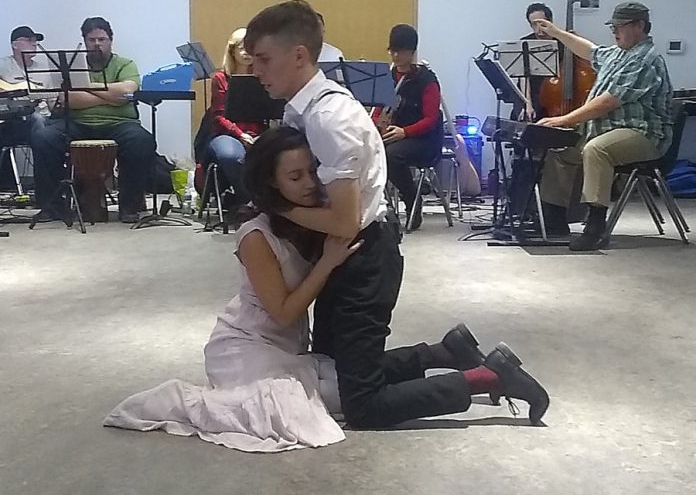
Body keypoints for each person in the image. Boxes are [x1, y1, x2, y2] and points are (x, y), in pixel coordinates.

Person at [104, 127, 546, 451]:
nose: (310, 183)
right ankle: (481, 376)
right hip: (246, 351)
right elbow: (283, 312)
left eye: (311, 172)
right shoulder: (255, 236)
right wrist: (330, 262)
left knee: (350, 383)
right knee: (346, 402)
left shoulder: (304, 217)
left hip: (286, 347)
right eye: (294, 177)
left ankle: (444, 353)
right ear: (272, 184)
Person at [245, 0, 549, 429]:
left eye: (263, 59)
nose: (256, 70)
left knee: (362, 406)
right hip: (349, 250)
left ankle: (486, 376)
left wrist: (275, 204)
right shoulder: (304, 107)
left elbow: (345, 223)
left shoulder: (328, 118)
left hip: (366, 253)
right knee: (333, 374)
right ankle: (447, 351)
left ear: (298, 56)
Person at [535, 2, 673, 250]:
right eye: (614, 26)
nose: (614, 31)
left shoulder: (645, 59)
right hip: (610, 130)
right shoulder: (619, 53)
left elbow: (607, 102)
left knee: (597, 149)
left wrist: (564, 119)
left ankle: (596, 226)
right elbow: (590, 51)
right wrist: (556, 32)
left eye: (620, 26)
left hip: (644, 135)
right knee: (560, 149)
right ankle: (554, 220)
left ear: (639, 25)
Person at [30, 17, 156, 223]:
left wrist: (86, 87)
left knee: (141, 141)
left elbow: (126, 91)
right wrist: (110, 93)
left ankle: (130, 206)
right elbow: (69, 99)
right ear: (84, 41)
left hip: (120, 124)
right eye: (91, 40)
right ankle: (52, 207)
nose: (97, 44)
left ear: (110, 40)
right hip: (78, 123)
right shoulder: (72, 65)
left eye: (102, 39)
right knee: (43, 138)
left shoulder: (126, 64)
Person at [376, 24, 444, 231]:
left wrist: (404, 132)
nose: (395, 55)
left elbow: (431, 119)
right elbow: (379, 108)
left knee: (390, 156)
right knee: (370, 151)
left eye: (400, 51)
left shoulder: (427, 80)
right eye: (392, 50)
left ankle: (412, 198)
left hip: (423, 140)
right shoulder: (387, 77)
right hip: (395, 136)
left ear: (412, 52)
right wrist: (376, 124)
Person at [205, 28, 265, 207]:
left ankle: (273, 206)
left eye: (251, 48)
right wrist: (240, 135)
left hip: (258, 132)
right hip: (227, 134)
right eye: (241, 48)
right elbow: (218, 117)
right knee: (232, 156)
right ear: (232, 52)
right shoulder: (220, 78)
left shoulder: (263, 77)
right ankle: (249, 203)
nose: (247, 52)